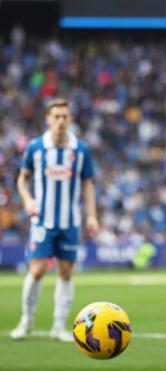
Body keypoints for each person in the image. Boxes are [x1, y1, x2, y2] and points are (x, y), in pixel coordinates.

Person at [10, 98, 98, 342]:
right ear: (48, 119)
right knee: (36, 271)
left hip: (70, 222)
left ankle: (58, 326)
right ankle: (26, 319)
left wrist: (91, 215)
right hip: (42, 222)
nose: (60, 120)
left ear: (70, 120)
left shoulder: (81, 150)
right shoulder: (36, 147)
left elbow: (88, 184)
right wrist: (27, 200)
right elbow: (21, 179)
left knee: (66, 272)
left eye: (64, 116)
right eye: (56, 116)